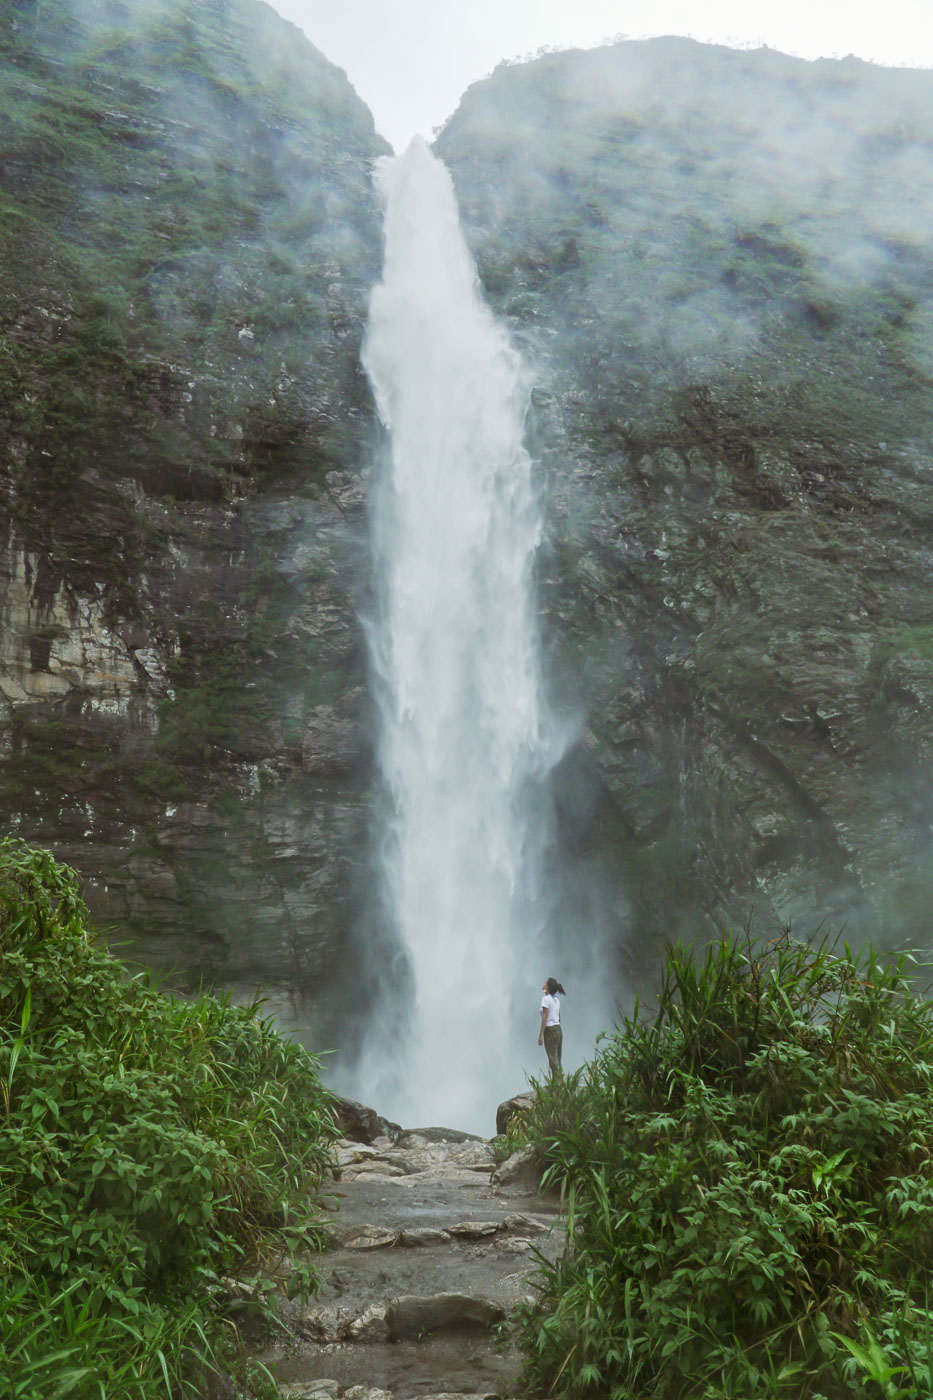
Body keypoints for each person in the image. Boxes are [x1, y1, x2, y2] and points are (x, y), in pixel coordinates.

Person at [538, 977, 565, 1076]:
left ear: (548, 987)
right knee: (557, 1057)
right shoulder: (556, 1000)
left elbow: (545, 1016)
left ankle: (559, 1084)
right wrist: (559, 1030)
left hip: (550, 1030)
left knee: (552, 1058)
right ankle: (557, 1082)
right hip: (558, 1029)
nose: (543, 983)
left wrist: (541, 1035)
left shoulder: (545, 999)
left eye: (545, 983)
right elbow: (558, 1016)